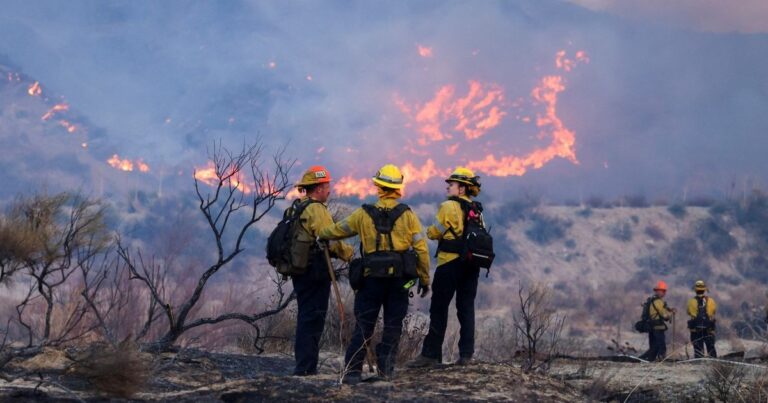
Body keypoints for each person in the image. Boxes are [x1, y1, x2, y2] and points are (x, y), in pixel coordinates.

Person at [318, 164, 430, 384]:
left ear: (378, 186)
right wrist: (424, 279)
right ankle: (386, 372)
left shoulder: (362, 214)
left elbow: (338, 230)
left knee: (363, 325)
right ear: (397, 188)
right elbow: (422, 249)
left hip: (370, 281)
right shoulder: (408, 215)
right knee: (393, 326)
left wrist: (322, 233)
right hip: (400, 282)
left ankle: (351, 372)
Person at [409, 167, 484, 368]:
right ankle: (466, 355)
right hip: (471, 266)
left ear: (461, 188)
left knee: (439, 308)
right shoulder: (476, 209)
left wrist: (430, 231)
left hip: (449, 263)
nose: (448, 188)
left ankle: (430, 355)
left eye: (451, 185)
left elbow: (435, 232)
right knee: (466, 309)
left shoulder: (448, 206)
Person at [290, 166, 353, 376]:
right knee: (313, 317)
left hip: (300, 271)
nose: (329, 190)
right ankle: (306, 369)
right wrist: (350, 254)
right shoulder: (316, 209)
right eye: (327, 186)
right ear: (318, 188)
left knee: (306, 315)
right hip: (315, 271)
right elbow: (330, 238)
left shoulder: (297, 207)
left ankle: (305, 366)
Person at [639, 280, 675, 362]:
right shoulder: (658, 301)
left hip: (651, 327)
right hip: (658, 327)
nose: (664, 293)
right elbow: (664, 315)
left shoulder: (651, 300)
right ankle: (661, 359)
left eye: (664, 291)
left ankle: (650, 359)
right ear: (658, 291)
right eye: (663, 291)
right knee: (660, 345)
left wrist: (669, 309)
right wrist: (670, 314)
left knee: (653, 346)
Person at [687, 280, 717, 358]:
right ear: (704, 290)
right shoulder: (711, 301)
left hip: (695, 330)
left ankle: (699, 364)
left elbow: (688, 312)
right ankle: (714, 364)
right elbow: (713, 311)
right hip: (708, 329)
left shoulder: (691, 301)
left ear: (695, 290)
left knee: (698, 351)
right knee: (711, 349)